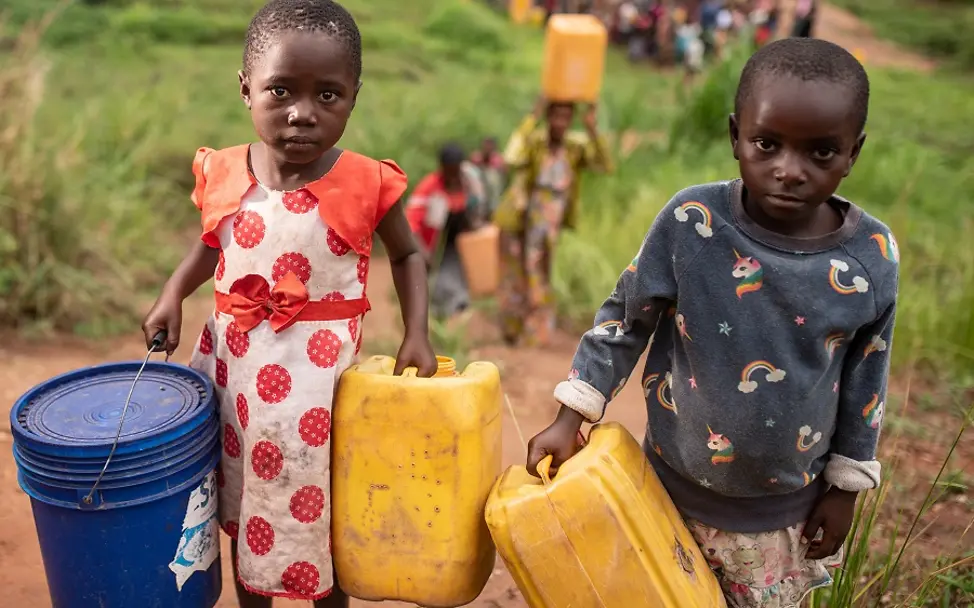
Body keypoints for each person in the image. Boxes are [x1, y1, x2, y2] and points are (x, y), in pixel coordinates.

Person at [527, 38, 897, 607]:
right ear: (735, 136)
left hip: (779, 519)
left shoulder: (870, 259)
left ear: (854, 153)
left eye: (821, 153)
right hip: (665, 491)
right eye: (767, 144)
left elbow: (867, 378)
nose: (788, 170)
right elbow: (627, 319)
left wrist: (846, 487)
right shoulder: (693, 224)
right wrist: (570, 412)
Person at [141, 1, 437, 606]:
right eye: (281, 91)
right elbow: (211, 247)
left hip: (319, 388)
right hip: (235, 371)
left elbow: (408, 256)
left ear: (354, 96)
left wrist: (417, 334)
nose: (303, 114)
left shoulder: (365, 182)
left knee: (320, 502)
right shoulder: (225, 172)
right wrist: (174, 293)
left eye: (328, 96)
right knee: (243, 490)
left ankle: (329, 598)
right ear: (246, 89)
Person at [494, 96, 612, 347]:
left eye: (565, 117)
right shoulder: (536, 142)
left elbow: (605, 165)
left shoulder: (575, 147)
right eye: (555, 116)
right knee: (518, 270)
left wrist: (592, 128)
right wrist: (531, 118)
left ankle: (535, 333)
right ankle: (513, 328)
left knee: (539, 269)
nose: (560, 122)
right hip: (526, 212)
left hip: (553, 215)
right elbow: (511, 157)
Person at [405, 143, 484, 317]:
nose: (454, 176)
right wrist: (423, 252)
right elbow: (410, 223)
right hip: (433, 249)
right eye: (450, 172)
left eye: (457, 171)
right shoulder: (429, 188)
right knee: (436, 287)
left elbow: (477, 212)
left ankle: (457, 308)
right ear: (442, 168)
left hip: (458, 246)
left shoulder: (470, 184)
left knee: (458, 283)